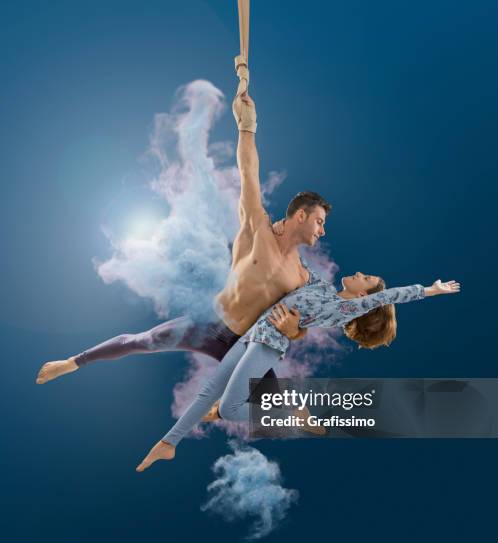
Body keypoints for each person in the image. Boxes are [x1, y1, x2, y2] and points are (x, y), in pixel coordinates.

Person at [35, 72, 330, 391]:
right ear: (300, 215)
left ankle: (218, 411)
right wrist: (248, 126)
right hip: (207, 324)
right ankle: (72, 362)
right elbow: (249, 172)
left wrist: (294, 330)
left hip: (239, 344)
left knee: (281, 406)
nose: (322, 231)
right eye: (319, 221)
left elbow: (302, 325)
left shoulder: (300, 277)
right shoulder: (257, 230)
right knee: (141, 341)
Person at [135, 273, 460, 471]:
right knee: (209, 392)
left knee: (230, 408)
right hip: (250, 336)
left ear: (363, 295)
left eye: (367, 278)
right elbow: (295, 269)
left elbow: (391, 296)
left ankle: (292, 409)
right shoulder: (322, 287)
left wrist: (429, 290)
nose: (360, 273)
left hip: (267, 345)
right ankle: (168, 443)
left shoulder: (344, 308)